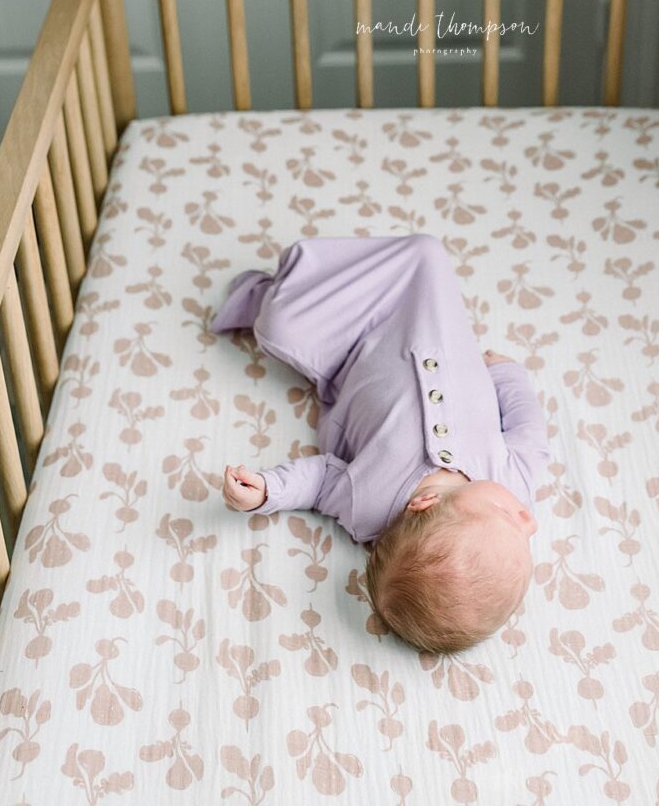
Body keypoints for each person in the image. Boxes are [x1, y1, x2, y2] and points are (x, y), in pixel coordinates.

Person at [212, 232, 549, 653]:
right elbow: (528, 427)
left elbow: (319, 482)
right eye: (522, 524)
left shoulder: (367, 503)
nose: (529, 520)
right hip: (427, 315)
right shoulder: (515, 478)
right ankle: (307, 285)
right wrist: (506, 374)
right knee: (427, 251)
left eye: (511, 518)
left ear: (423, 506)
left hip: (350, 351)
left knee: (279, 324)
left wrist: (268, 491)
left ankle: (259, 296)